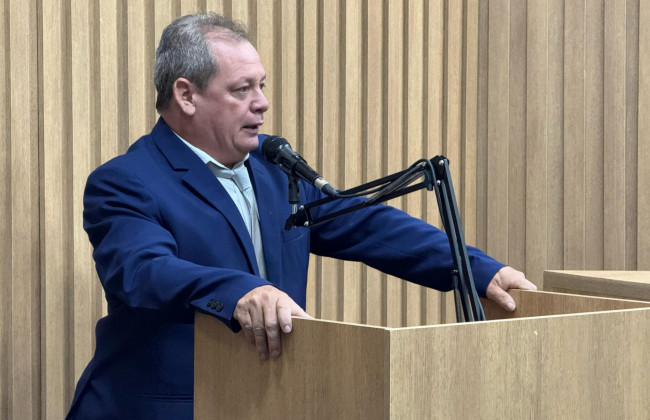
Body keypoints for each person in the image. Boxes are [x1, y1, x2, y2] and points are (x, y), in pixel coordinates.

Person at [65, 12, 536, 420]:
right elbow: (143, 271)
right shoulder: (127, 180)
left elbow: (368, 225)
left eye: (261, 85)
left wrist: (477, 270)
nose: (262, 102)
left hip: (269, 402)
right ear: (186, 95)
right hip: (169, 406)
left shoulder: (275, 171)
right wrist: (238, 291)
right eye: (242, 89)